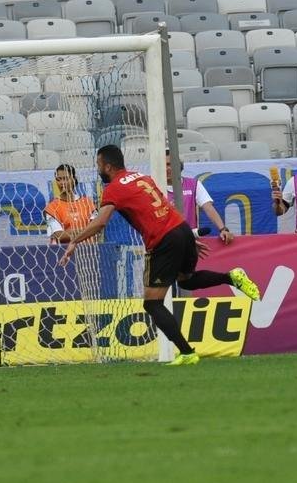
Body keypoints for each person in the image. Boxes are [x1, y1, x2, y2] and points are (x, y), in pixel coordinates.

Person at [60, 145, 261, 366]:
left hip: (163, 240)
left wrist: (74, 241)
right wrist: (186, 238)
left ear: (107, 166)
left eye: (99, 165)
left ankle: (187, 352)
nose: (98, 169)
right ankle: (231, 277)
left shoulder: (114, 188)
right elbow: (162, 208)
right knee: (188, 279)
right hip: (181, 229)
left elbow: (99, 223)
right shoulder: (142, 178)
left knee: (152, 303)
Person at [165, 150, 234, 244]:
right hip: (163, 243)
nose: (166, 168)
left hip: (189, 241)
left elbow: (208, 208)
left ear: (179, 166)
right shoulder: (153, 187)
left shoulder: (193, 184)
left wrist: (223, 229)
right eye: (163, 165)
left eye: (169, 164)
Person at [44, 163, 98, 243]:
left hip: (88, 251)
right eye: (59, 179)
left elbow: (96, 229)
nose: (62, 182)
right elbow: (60, 235)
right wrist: (87, 230)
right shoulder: (52, 208)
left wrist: (70, 232)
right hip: (65, 252)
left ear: (73, 179)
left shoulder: (88, 203)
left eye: (66, 179)